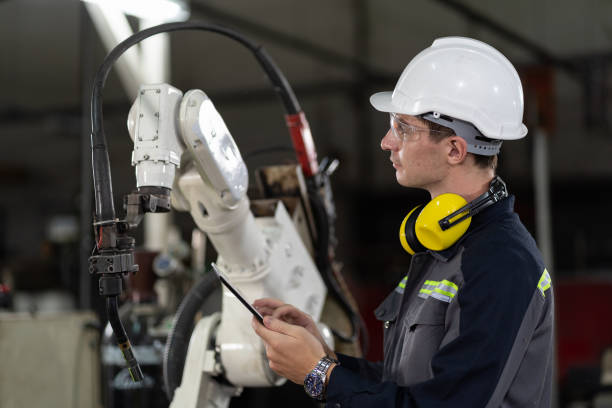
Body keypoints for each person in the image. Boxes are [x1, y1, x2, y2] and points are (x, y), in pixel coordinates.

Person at [251, 36, 554, 407]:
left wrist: (320, 376)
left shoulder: (501, 263)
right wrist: (324, 358)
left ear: (455, 149)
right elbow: (409, 385)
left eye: (404, 129)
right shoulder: (444, 243)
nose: (386, 142)